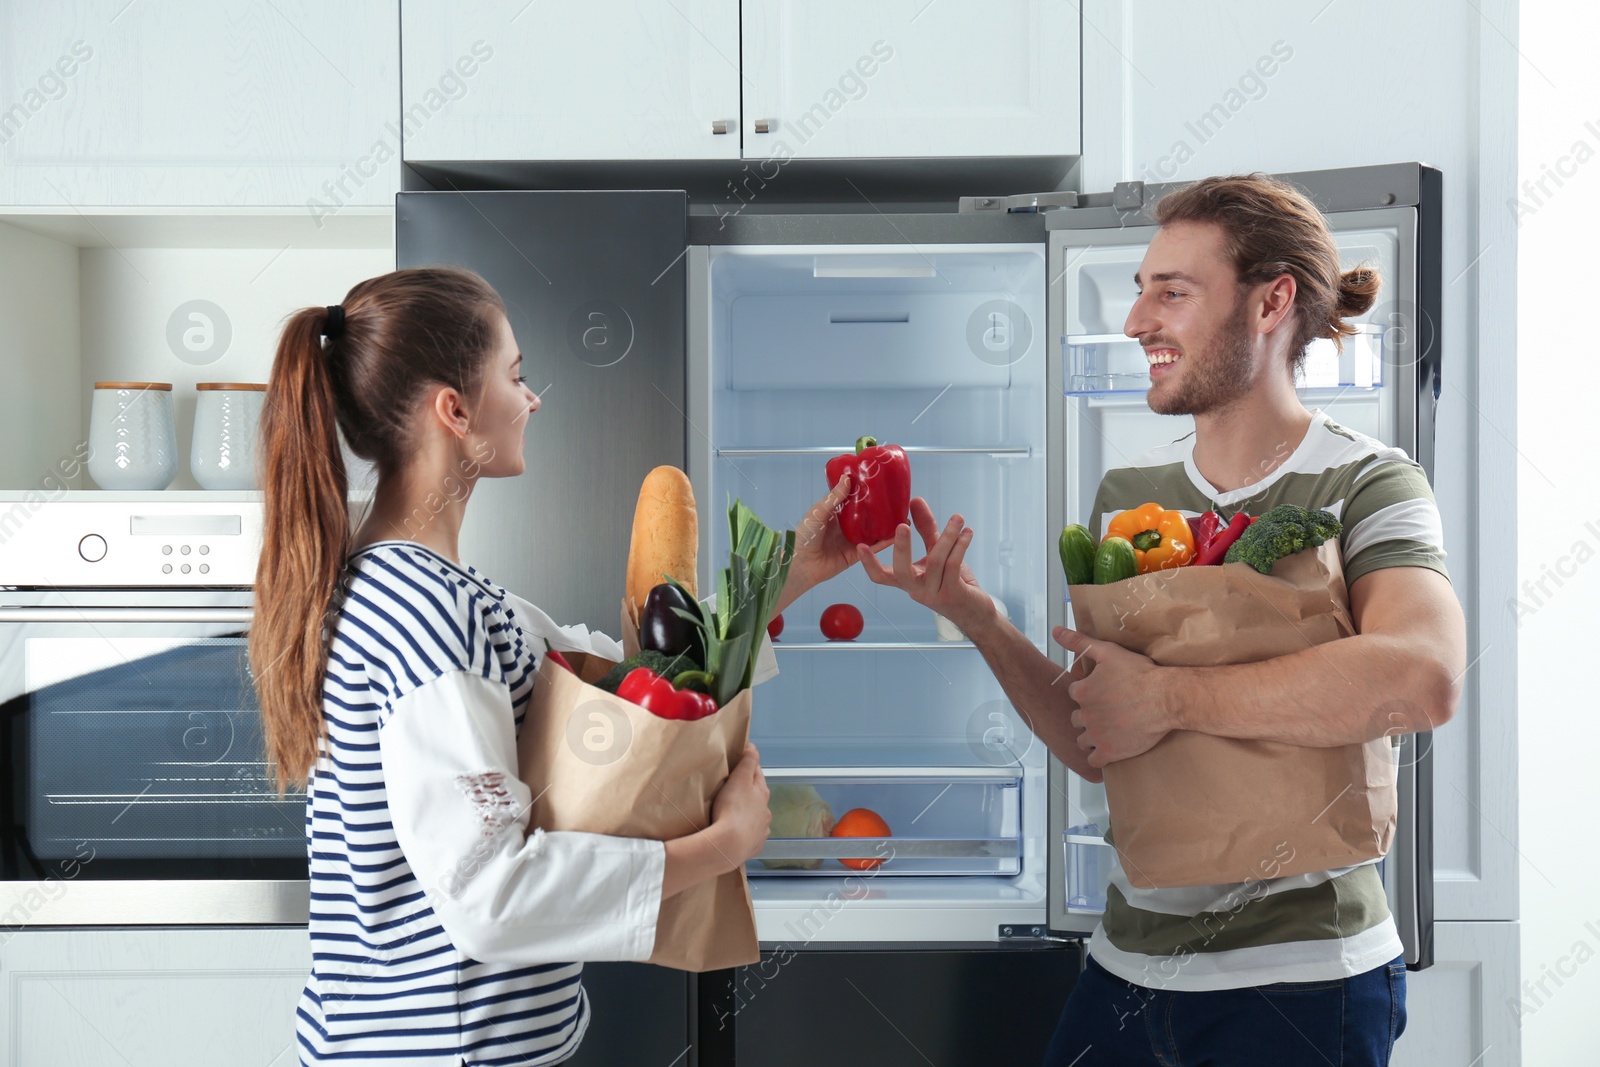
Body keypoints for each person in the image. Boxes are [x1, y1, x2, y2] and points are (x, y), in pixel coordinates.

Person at [858, 174, 1465, 1066]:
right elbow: (1100, 734)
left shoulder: (1367, 483)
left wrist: (1174, 698)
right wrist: (979, 618)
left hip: (1305, 976)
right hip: (1126, 968)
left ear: (1273, 302)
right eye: (1141, 289)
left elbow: (1425, 676)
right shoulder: (1131, 497)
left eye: (1171, 292)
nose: (1138, 319)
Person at [251, 267, 869, 1066]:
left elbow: (636, 674)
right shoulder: (424, 613)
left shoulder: (429, 591)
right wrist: (722, 844)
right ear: (455, 410)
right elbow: (491, 893)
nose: (531, 398)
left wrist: (797, 568)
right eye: (514, 375)